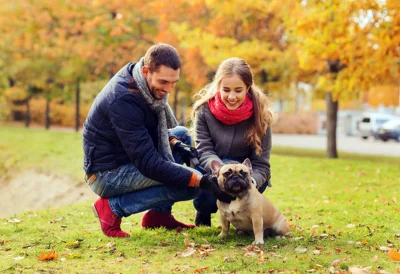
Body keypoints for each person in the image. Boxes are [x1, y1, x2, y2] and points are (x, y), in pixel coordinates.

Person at [83, 43, 233, 238]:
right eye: (164, 82)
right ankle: (112, 208)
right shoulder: (124, 100)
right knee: (189, 187)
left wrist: (175, 144)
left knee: (181, 134)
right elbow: (148, 163)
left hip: (126, 157)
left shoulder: (141, 82)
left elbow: (151, 132)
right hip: (106, 173)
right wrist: (201, 180)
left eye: (173, 82)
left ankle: (158, 216)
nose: (168, 89)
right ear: (146, 71)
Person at [191, 57, 275, 226]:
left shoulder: (261, 116)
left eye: (238, 90)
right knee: (206, 197)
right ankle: (204, 210)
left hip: (247, 176)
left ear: (248, 88)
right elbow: (204, 150)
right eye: (226, 89)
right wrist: (221, 171)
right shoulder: (204, 111)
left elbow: (262, 164)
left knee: (247, 192)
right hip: (214, 171)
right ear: (218, 87)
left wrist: (251, 180)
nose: (231, 96)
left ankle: (244, 218)